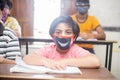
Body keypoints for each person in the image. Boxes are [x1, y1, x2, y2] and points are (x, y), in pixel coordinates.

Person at [23, 16, 100, 70]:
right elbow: (27, 58)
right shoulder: (48, 50)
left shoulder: (76, 50)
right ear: (52, 36)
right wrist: (47, 62)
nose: (63, 35)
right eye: (58, 32)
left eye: (68, 32)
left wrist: (64, 62)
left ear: (74, 36)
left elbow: (95, 61)